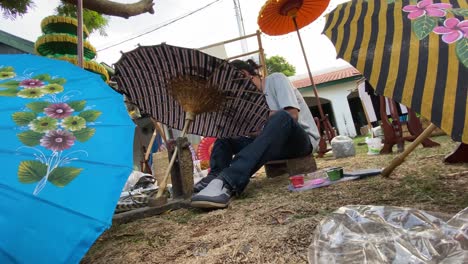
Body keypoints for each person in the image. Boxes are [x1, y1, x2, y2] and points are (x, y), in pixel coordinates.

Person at [191, 59, 320, 209]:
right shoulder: (250, 102)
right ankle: (215, 177)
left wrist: (262, 117)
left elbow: (292, 116)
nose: (236, 93)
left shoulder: (276, 79)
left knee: (282, 117)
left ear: (244, 75)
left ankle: (228, 181)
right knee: (227, 134)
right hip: (274, 146)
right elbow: (258, 131)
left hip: (300, 142)